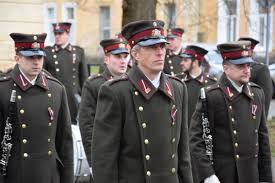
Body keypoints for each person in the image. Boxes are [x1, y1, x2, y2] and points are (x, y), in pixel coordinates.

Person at [91, 20, 193, 183]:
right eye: (152, 47)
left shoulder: (177, 88)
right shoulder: (116, 92)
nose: (160, 52)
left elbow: (183, 152)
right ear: (136, 54)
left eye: (162, 46)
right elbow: (104, 158)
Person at [190, 41, 272, 183]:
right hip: (223, 175)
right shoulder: (212, 96)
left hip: (251, 175)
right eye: (241, 66)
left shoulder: (257, 94)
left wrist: (266, 177)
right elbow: (196, 139)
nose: (247, 70)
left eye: (248, 65)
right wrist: (208, 174)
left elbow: (263, 139)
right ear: (226, 68)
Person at [0, 33, 73, 183]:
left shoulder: (56, 89)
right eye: (30, 57)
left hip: (48, 174)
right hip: (15, 174)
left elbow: (64, 142)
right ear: (17, 59)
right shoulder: (3, 89)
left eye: (39, 57)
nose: (36, 62)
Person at [79, 38, 129, 167]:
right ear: (106, 59)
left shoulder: (132, 83)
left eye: (125, 56)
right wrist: (93, 162)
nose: (123, 61)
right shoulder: (94, 85)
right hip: (105, 157)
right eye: (118, 56)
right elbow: (87, 125)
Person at [44, 22, 88, 124]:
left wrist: (85, 97)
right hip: (54, 95)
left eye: (61, 33)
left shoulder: (78, 52)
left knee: (73, 126)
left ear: (68, 34)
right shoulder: (48, 52)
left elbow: (84, 77)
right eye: (55, 34)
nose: (57, 36)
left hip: (73, 97)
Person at [176, 45, 217, 126]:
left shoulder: (211, 83)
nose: (181, 63)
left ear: (195, 62)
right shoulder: (178, 81)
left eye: (185, 60)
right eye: (182, 60)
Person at [238, 37, 273, 117]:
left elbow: (265, 99)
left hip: (251, 117)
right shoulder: (232, 68)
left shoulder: (261, 70)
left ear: (251, 51)